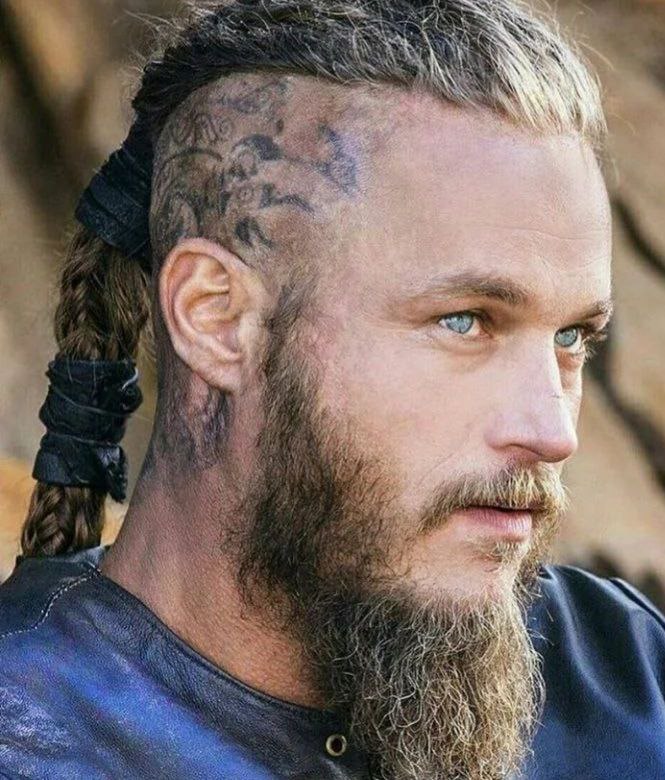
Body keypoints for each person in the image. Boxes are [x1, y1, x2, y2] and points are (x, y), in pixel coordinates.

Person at [1, 1, 664, 778]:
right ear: (217, 319)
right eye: (464, 321)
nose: (553, 432)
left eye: (570, 337)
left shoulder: (624, 678)